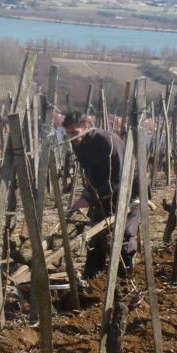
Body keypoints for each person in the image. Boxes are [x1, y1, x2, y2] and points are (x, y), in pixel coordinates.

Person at [62, 110, 140, 278]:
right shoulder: (79, 144)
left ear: (86, 126)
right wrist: (86, 197)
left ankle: (125, 278)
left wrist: (90, 199)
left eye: (74, 133)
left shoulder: (106, 141)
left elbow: (121, 177)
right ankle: (92, 277)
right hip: (104, 192)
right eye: (68, 133)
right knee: (96, 233)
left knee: (124, 234)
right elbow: (91, 177)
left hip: (129, 192)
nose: (72, 138)